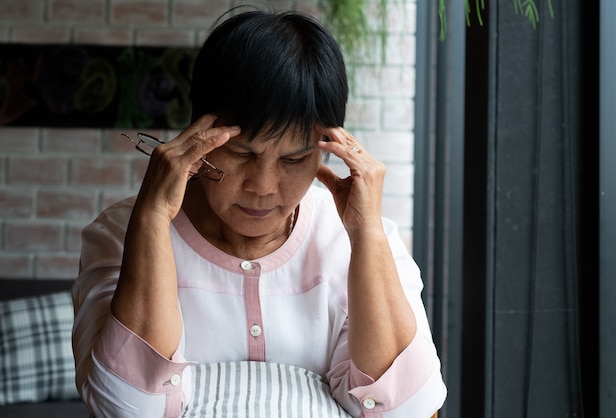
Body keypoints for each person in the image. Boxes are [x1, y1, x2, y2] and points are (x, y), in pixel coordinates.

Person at [72, 7, 446, 418]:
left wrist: (367, 233)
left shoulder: (365, 239)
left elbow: (406, 410)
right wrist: (152, 219)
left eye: (294, 159)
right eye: (241, 153)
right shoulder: (121, 232)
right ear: (198, 135)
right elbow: (126, 406)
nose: (264, 186)